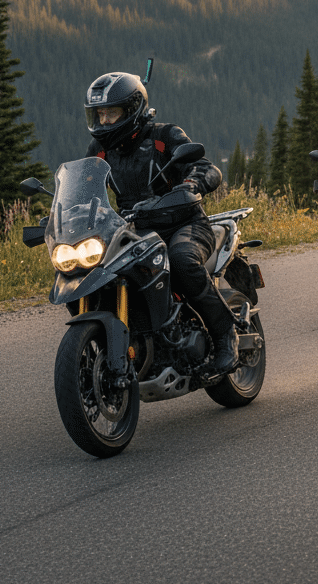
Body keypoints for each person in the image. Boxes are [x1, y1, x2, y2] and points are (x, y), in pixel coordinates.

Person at [83, 71, 239, 372]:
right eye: (99, 114)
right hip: (133, 233)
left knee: (181, 261)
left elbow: (205, 167)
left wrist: (192, 184)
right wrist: (66, 211)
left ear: (132, 110)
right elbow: (87, 188)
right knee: (94, 274)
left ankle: (225, 334)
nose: (103, 121)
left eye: (111, 113)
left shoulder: (163, 136)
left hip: (183, 224)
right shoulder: (99, 151)